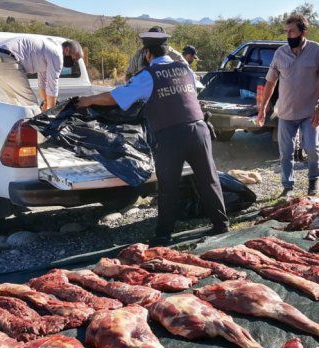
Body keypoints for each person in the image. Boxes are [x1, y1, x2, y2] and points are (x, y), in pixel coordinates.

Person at [77, 30, 229, 245]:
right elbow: (190, 93)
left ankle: (163, 235)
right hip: (199, 129)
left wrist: (86, 101)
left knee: (168, 186)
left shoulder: (148, 75)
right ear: (167, 50)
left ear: (147, 53)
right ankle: (221, 225)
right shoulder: (184, 67)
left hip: (171, 135)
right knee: (208, 179)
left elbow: (114, 97)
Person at [256, 14, 319, 197]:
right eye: (287, 31)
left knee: (312, 148)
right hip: (285, 113)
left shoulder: (317, 51)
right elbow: (270, 82)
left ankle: (314, 180)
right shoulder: (280, 53)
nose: (288, 35)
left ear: (303, 31)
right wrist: (262, 108)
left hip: (309, 112)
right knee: (285, 153)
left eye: (292, 31)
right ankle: (287, 186)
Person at [0, 36, 82, 111]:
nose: (73, 63)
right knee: (31, 106)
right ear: (67, 50)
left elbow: (43, 82)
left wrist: (46, 102)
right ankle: (36, 134)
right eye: (74, 59)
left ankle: (15, 131)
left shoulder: (48, 49)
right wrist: (52, 112)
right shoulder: (57, 55)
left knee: (14, 102)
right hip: (7, 59)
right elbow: (52, 85)